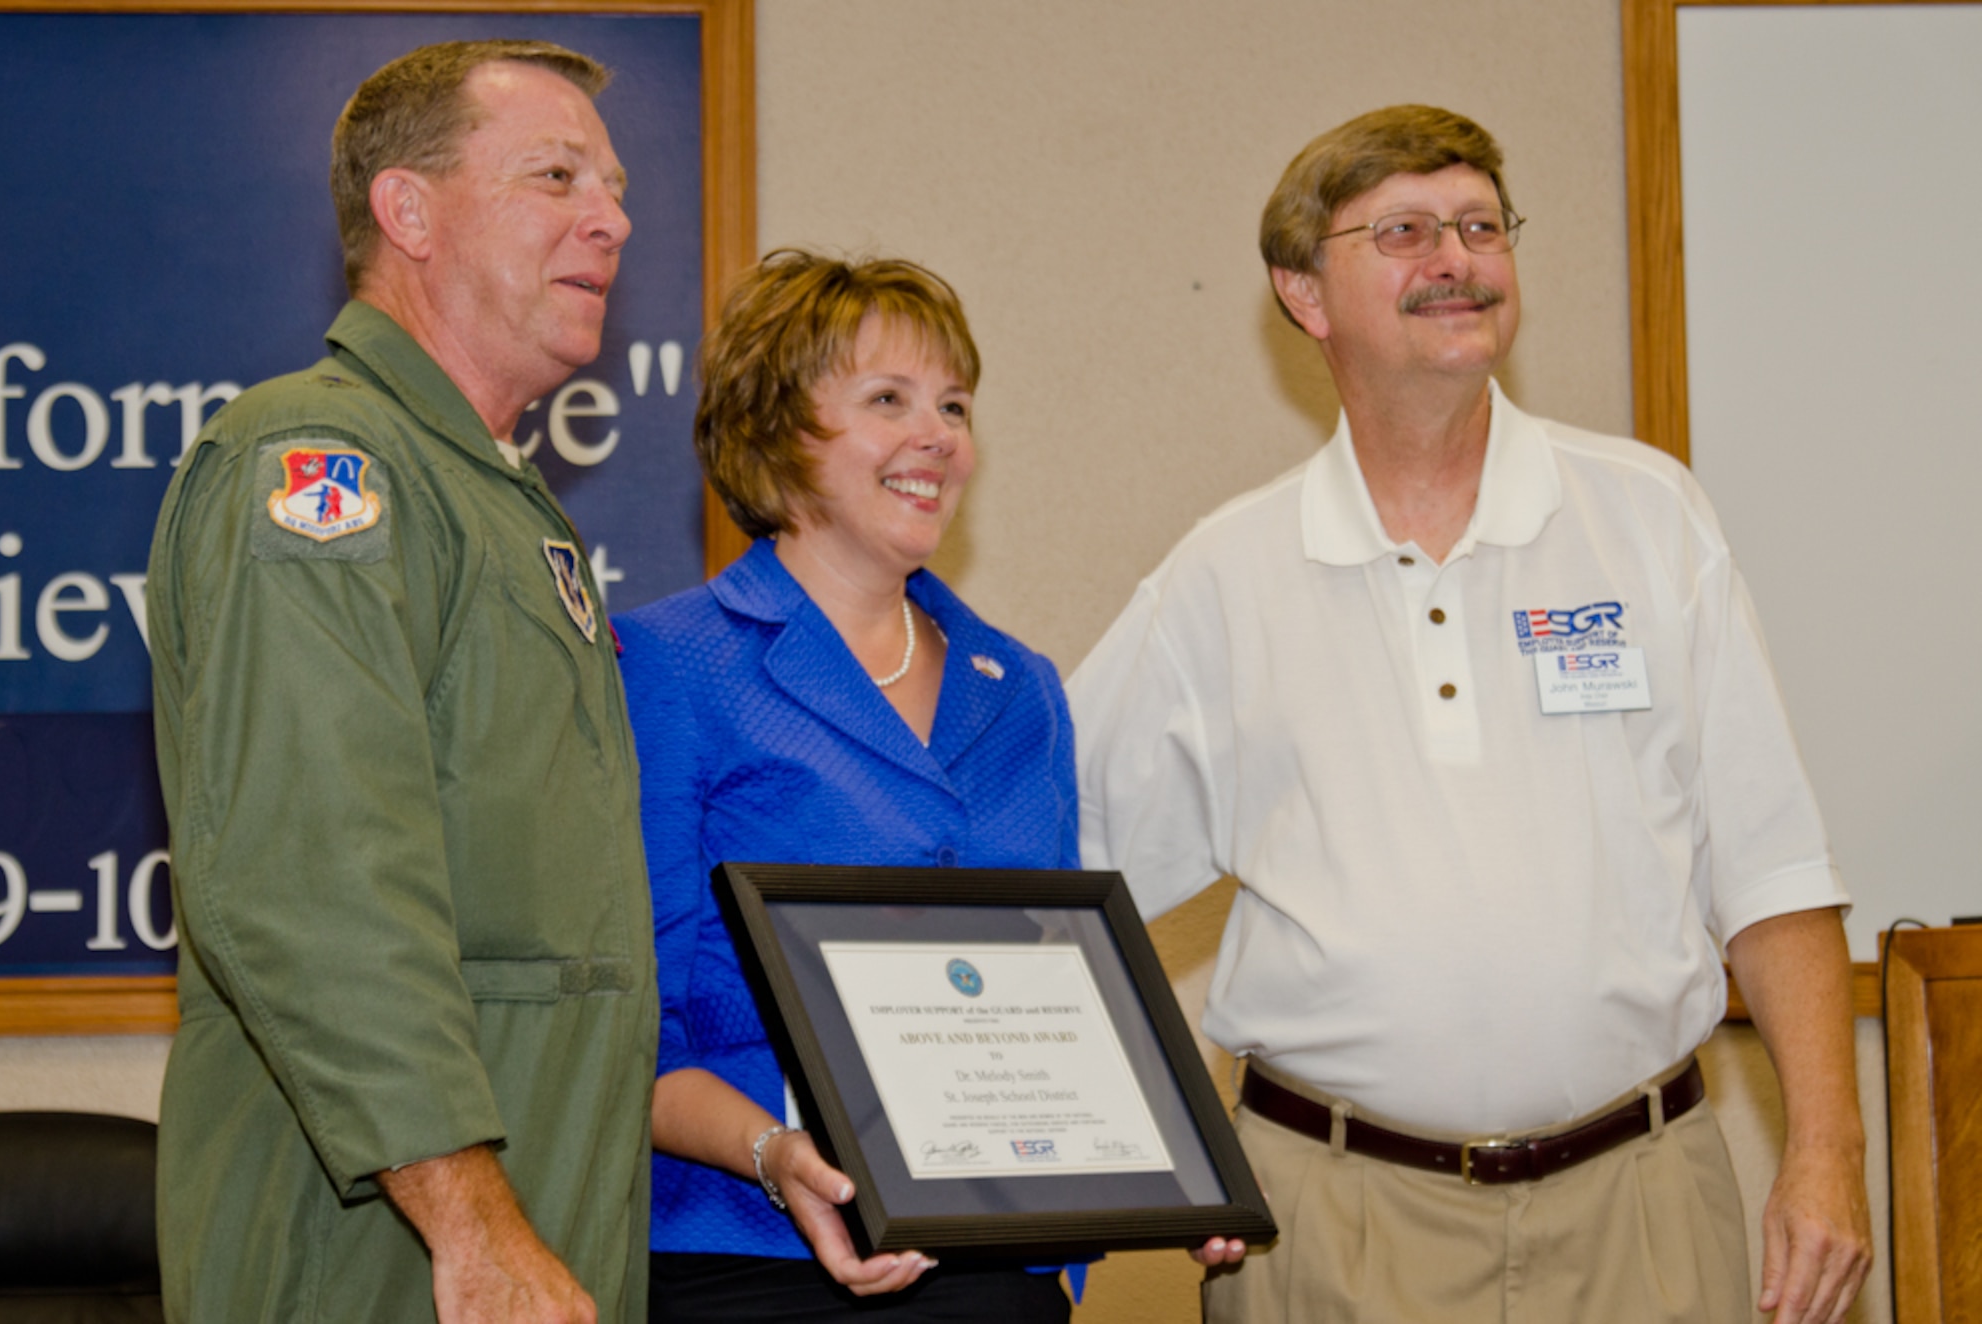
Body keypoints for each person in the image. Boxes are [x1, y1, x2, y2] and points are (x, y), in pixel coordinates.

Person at [1068, 105, 1873, 1324]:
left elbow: (1770, 873)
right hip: (1329, 1223)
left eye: (1478, 224)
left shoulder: (1648, 518)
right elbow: (1051, 878)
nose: (1454, 257)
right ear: (1302, 291)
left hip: (1641, 1203)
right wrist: (1154, 1161)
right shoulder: (1221, 578)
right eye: (1400, 229)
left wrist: (1826, 1152)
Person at [145, 40, 653, 1323]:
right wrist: (473, 1220)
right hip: (379, 1249)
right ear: (407, 211)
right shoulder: (320, 463)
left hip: (526, 1230)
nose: (611, 217)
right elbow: (313, 874)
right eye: (556, 175)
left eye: (613, 186)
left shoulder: (490, 494)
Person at [617, 250, 1102, 1321]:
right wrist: (771, 1148)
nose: (939, 436)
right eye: (889, 399)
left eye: (954, 404)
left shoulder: (1020, 687)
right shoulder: (667, 665)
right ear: (777, 429)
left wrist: (1150, 1174)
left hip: (995, 1266)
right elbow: (631, 1033)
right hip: (750, 1256)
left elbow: (1066, 990)